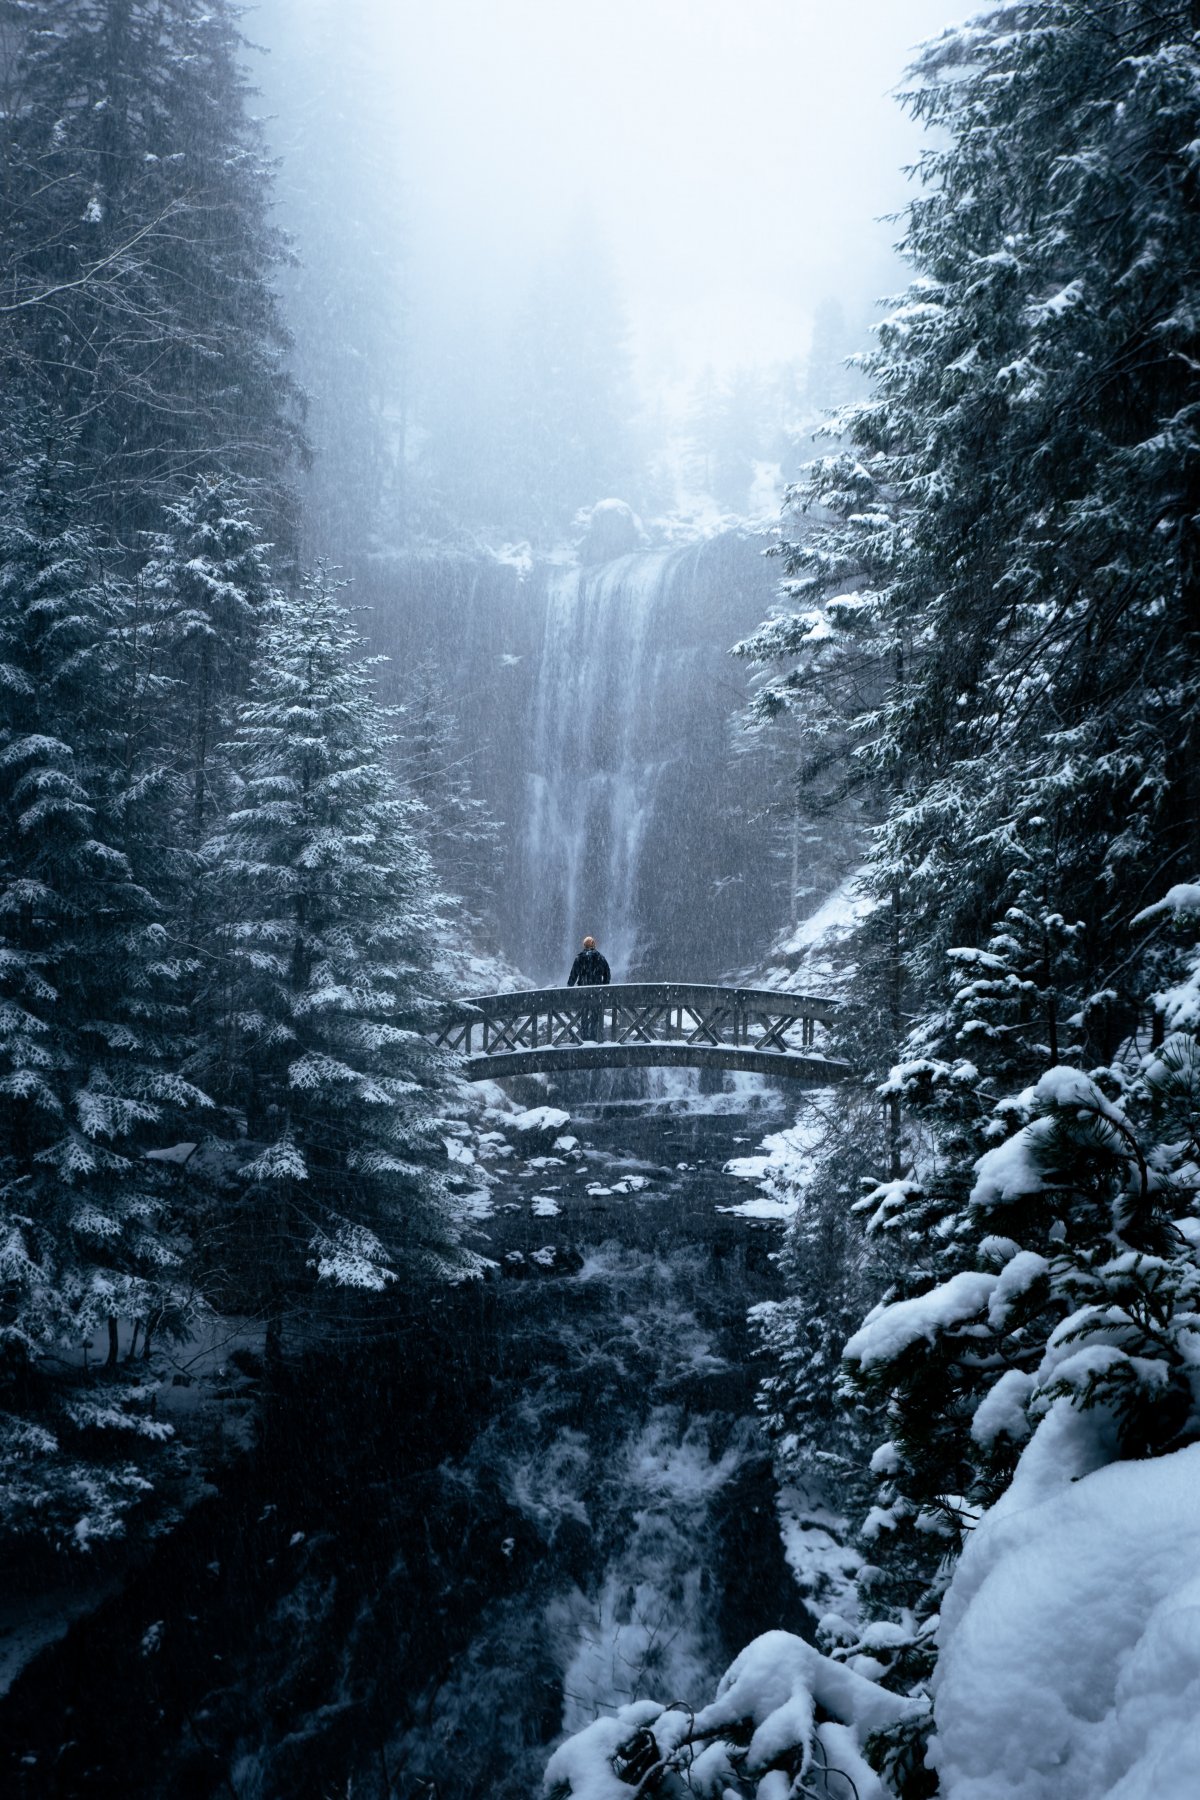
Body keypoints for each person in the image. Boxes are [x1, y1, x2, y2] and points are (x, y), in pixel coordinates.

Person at [567, 934, 610, 1041]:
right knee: (596, 1015)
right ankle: (595, 1037)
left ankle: (584, 1038)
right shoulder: (600, 957)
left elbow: (573, 975)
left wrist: (569, 988)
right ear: (594, 945)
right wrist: (604, 986)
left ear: (584, 946)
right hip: (596, 991)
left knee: (584, 1015)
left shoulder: (579, 958)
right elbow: (607, 973)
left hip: (583, 991)